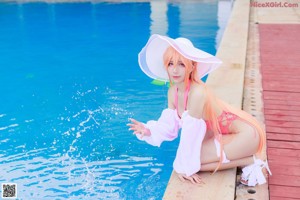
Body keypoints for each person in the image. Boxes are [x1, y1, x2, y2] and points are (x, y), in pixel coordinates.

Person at [127, 34, 271, 186]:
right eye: (170, 64)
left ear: (192, 67)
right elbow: (170, 126)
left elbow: (191, 133)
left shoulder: (197, 92)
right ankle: (247, 159)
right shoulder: (173, 92)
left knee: (192, 163)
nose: (175, 70)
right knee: (190, 162)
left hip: (246, 135)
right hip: (224, 136)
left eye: (182, 64)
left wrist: (183, 167)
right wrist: (149, 131)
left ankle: (250, 159)